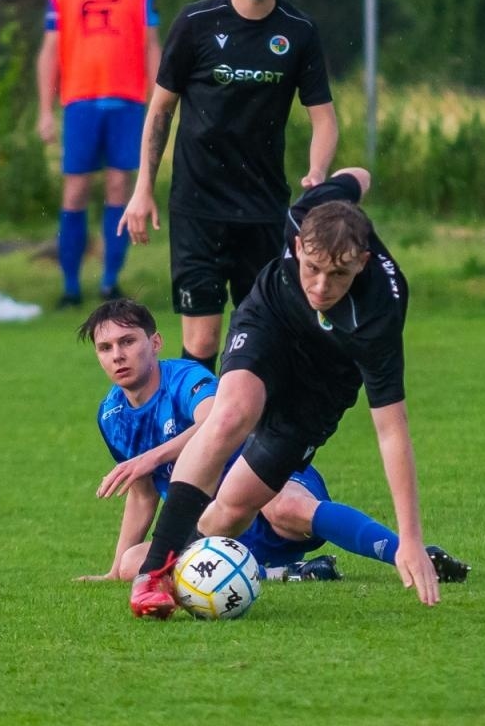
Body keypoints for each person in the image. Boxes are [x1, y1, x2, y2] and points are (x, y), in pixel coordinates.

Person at [126, 168, 445, 618]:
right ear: (297, 245)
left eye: (339, 275)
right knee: (231, 413)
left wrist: (410, 539)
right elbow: (358, 175)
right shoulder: (303, 217)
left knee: (229, 513)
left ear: (363, 262)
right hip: (270, 322)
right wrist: (345, 174)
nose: (320, 286)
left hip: (322, 386)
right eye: (312, 268)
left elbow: (392, 431)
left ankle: (191, 574)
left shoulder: (377, 319)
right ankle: (152, 574)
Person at [77, 298, 471, 585]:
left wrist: (150, 458)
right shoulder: (110, 415)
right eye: (106, 348)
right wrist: (114, 568)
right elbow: (143, 494)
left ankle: (413, 553)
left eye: (128, 342)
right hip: (210, 526)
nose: (118, 355)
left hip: (266, 489)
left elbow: (218, 419)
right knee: (134, 565)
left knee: (287, 506)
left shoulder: (183, 378)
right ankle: (286, 574)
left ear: (155, 343)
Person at [120, 0, 339, 373]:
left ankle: (252, 447)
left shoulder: (298, 31)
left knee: (258, 337)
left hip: (263, 209)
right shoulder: (197, 23)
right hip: (197, 207)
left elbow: (324, 118)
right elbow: (160, 110)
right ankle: (192, 447)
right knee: (200, 342)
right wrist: (142, 189)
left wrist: (317, 175)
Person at [37, 0, 160, 309]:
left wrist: (162, 100)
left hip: (127, 99)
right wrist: (44, 109)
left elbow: (151, 43)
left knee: (119, 187)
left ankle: (110, 280)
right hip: (80, 101)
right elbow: (50, 50)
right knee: (74, 189)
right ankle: (70, 286)